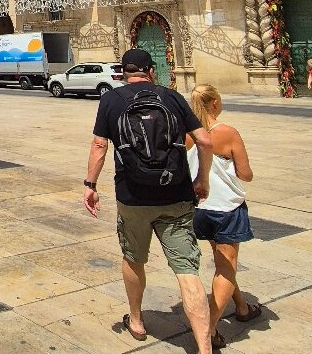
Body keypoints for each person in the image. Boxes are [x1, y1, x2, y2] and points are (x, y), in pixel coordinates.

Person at [83, 48, 214, 354]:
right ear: (151, 70)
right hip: (176, 194)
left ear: (123, 72)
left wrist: (90, 185)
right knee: (187, 271)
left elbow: (99, 145)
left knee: (133, 258)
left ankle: (138, 320)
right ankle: (205, 348)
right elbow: (206, 141)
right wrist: (202, 179)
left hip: (133, 196)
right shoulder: (172, 97)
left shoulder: (111, 99)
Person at [187, 85, 262, 349]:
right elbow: (246, 174)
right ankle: (207, 331)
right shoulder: (227, 133)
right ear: (215, 103)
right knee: (226, 267)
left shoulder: (186, 134)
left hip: (198, 209)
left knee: (223, 261)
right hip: (226, 208)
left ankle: (241, 307)